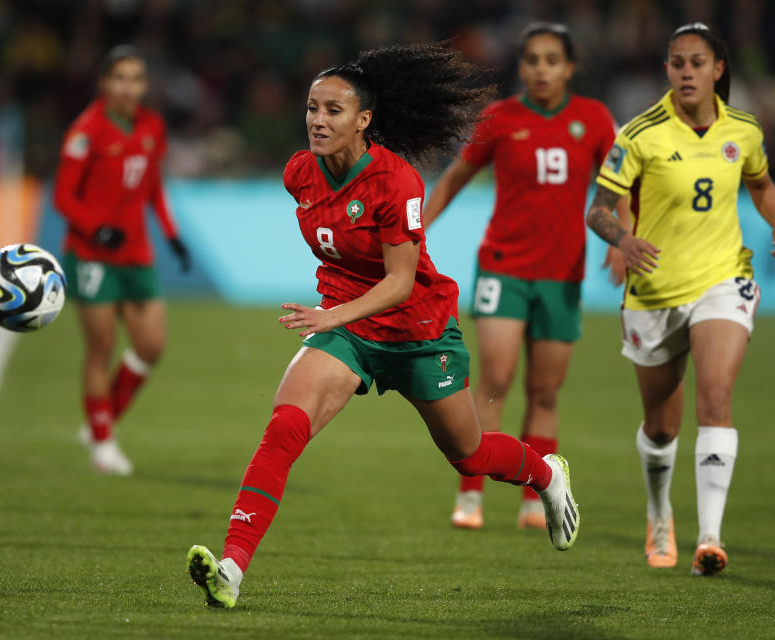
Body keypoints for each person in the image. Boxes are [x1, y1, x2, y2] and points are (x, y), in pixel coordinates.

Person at [186, 44, 581, 609]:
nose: (318, 121)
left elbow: (400, 281)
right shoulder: (299, 173)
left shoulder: (397, 183)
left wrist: (331, 315)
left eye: (333, 111)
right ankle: (231, 568)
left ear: (364, 121)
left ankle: (544, 473)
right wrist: (337, 318)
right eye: (312, 108)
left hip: (418, 330)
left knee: (468, 455)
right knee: (283, 429)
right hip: (349, 331)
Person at [586, 23, 775, 575]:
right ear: (667, 71)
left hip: (723, 278)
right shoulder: (640, 133)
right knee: (661, 427)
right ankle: (660, 518)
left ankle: (710, 536)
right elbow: (599, 209)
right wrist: (623, 239)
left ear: (717, 70)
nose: (686, 72)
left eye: (697, 63)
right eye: (677, 63)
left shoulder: (745, 130)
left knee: (717, 396)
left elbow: (759, 181)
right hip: (655, 290)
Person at [424, 23, 627, 531]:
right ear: (521, 66)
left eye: (551, 60)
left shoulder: (594, 119)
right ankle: (469, 496)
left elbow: (624, 183)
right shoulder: (499, 118)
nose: (541, 69)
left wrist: (624, 239)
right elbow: (453, 179)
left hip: (561, 275)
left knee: (545, 393)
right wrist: (416, 231)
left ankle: (538, 495)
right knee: (493, 380)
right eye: (533, 59)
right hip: (503, 268)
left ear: (570, 67)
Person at [53, 45, 191, 475]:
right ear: (104, 84)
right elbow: (63, 197)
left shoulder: (152, 126)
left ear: (145, 85)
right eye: (120, 78)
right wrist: (96, 228)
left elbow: (153, 188)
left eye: (136, 79)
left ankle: (100, 422)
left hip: (136, 254)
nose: (128, 87)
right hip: (92, 255)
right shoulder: (86, 131)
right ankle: (103, 445)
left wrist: (172, 235)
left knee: (151, 346)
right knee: (102, 349)